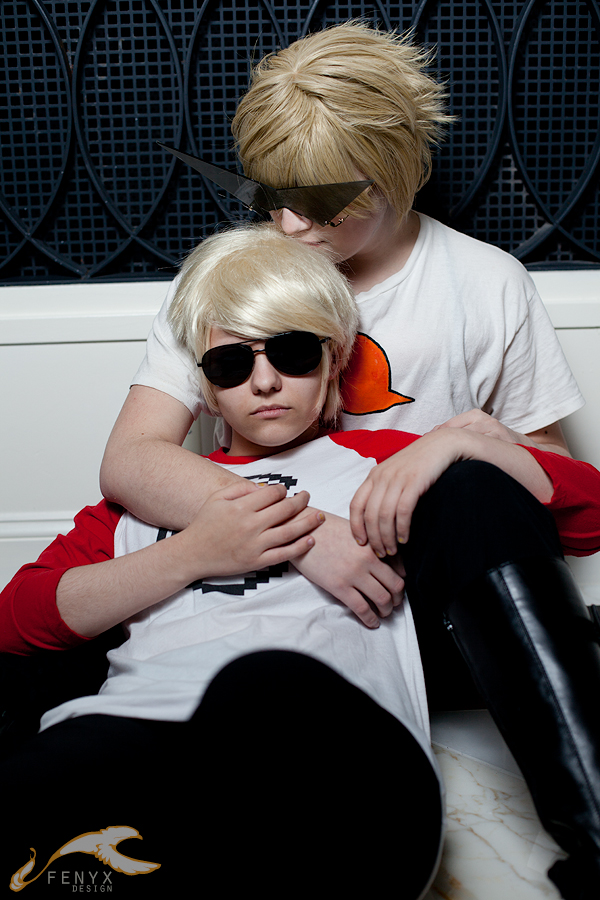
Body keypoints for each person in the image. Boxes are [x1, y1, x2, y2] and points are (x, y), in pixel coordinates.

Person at [2, 225, 600, 899]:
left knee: (265, 683)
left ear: (335, 361)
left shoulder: (382, 470)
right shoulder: (142, 502)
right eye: (231, 364)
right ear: (205, 388)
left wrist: (459, 446)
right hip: (131, 753)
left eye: (292, 353)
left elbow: (584, 520)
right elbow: (15, 621)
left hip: (332, 762)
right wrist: (193, 554)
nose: (264, 382)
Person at [98, 21, 584, 620]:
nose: (289, 225)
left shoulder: (489, 282)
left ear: (392, 173)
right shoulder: (228, 282)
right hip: (270, 593)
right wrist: (306, 535)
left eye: (320, 202)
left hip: (429, 589)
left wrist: (455, 445)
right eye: (271, 196)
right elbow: (130, 460)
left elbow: (554, 481)